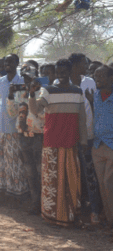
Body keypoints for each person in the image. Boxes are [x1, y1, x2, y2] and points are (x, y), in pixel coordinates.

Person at [30, 58, 87, 226]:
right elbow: (35, 110)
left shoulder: (77, 92)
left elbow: (82, 120)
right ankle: (51, 215)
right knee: (52, 182)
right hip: (52, 143)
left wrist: (83, 141)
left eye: (64, 72)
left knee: (71, 180)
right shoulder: (47, 91)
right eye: (58, 72)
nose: (61, 75)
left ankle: (68, 215)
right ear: (55, 73)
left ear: (70, 73)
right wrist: (31, 93)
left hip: (71, 143)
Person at [0, 54, 29, 205]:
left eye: (11, 62)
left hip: (15, 127)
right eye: (6, 62)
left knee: (14, 162)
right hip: (0, 126)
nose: (8, 64)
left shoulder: (23, 81)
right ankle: (0, 196)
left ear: (17, 63)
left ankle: (16, 197)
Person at [68, 53, 102, 224]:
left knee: (90, 176)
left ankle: (95, 211)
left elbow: (97, 105)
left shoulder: (89, 82)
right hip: (68, 136)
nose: (87, 65)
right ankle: (73, 210)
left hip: (88, 135)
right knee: (73, 174)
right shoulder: (62, 82)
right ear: (74, 65)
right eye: (83, 62)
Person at [89, 65, 113, 230]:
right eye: (96, 76)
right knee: (103, 185)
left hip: (111, 145)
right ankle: (110, 220)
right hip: (97, 145)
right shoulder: (95, 96)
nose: (97, 79)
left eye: (101, 76)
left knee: (108, 183)